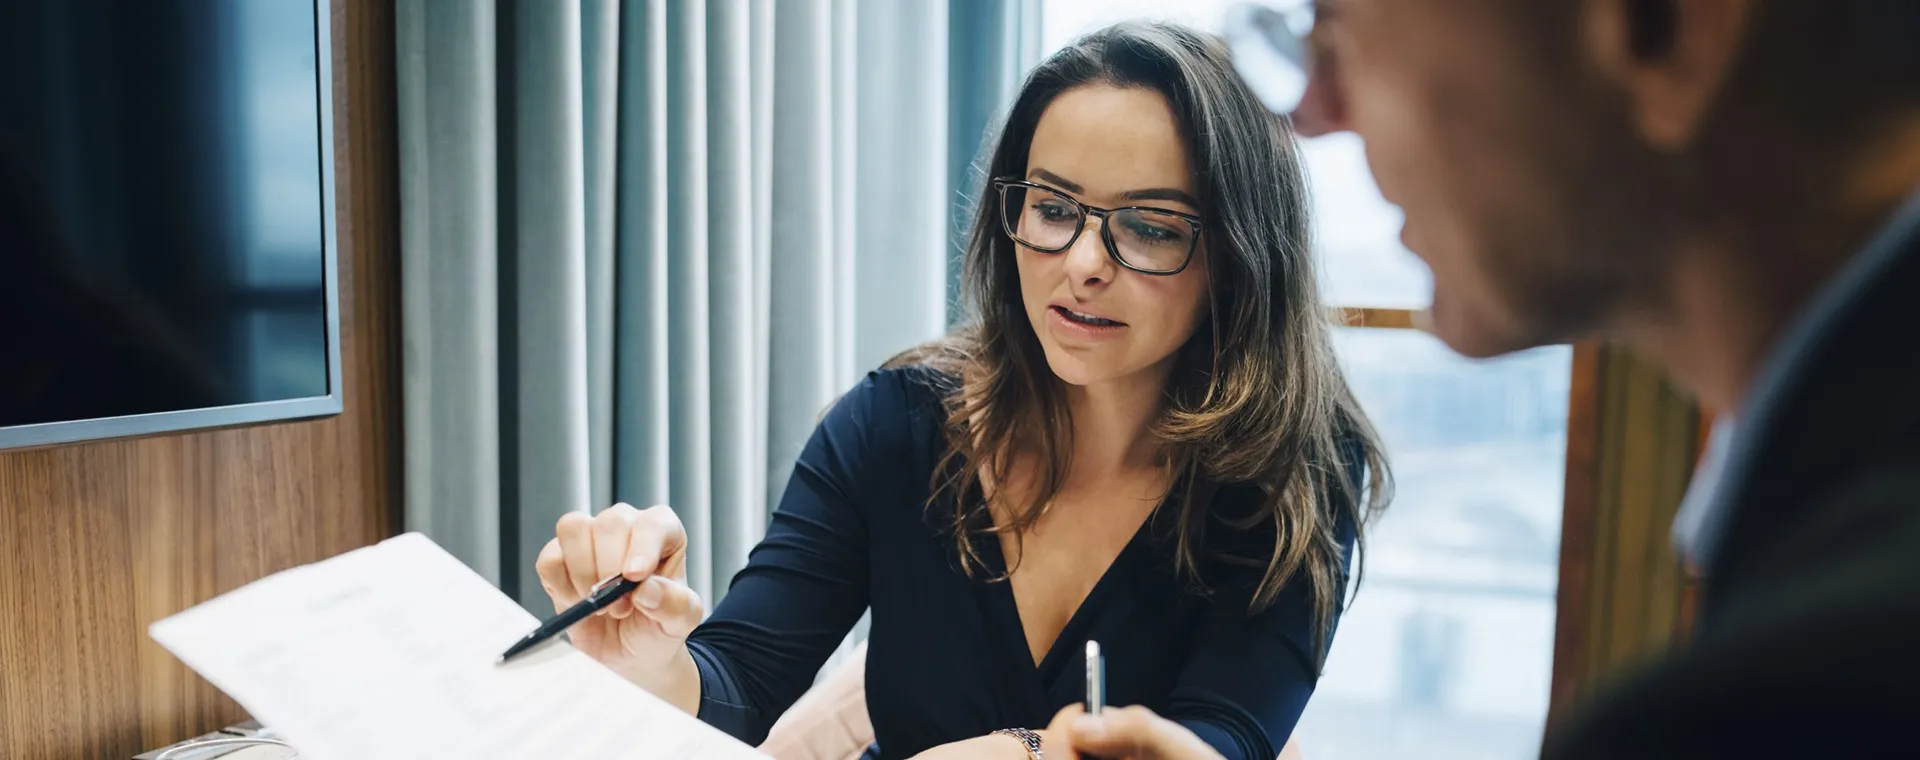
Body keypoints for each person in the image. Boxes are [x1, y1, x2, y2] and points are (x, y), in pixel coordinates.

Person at [1048, 0, 1920, 758]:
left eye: (1340, 30)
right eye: (1052, 209)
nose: (1311, 113)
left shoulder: (1799, 698)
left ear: (1663, 26)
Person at [534, 21, 1391, 760]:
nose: (1083, 265)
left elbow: (1229, 739)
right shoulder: (895, 423)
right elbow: (740, 683)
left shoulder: (1294, 473)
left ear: (1240, 257)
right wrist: (656, 664)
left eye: (1150, 227)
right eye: (1054, 208)